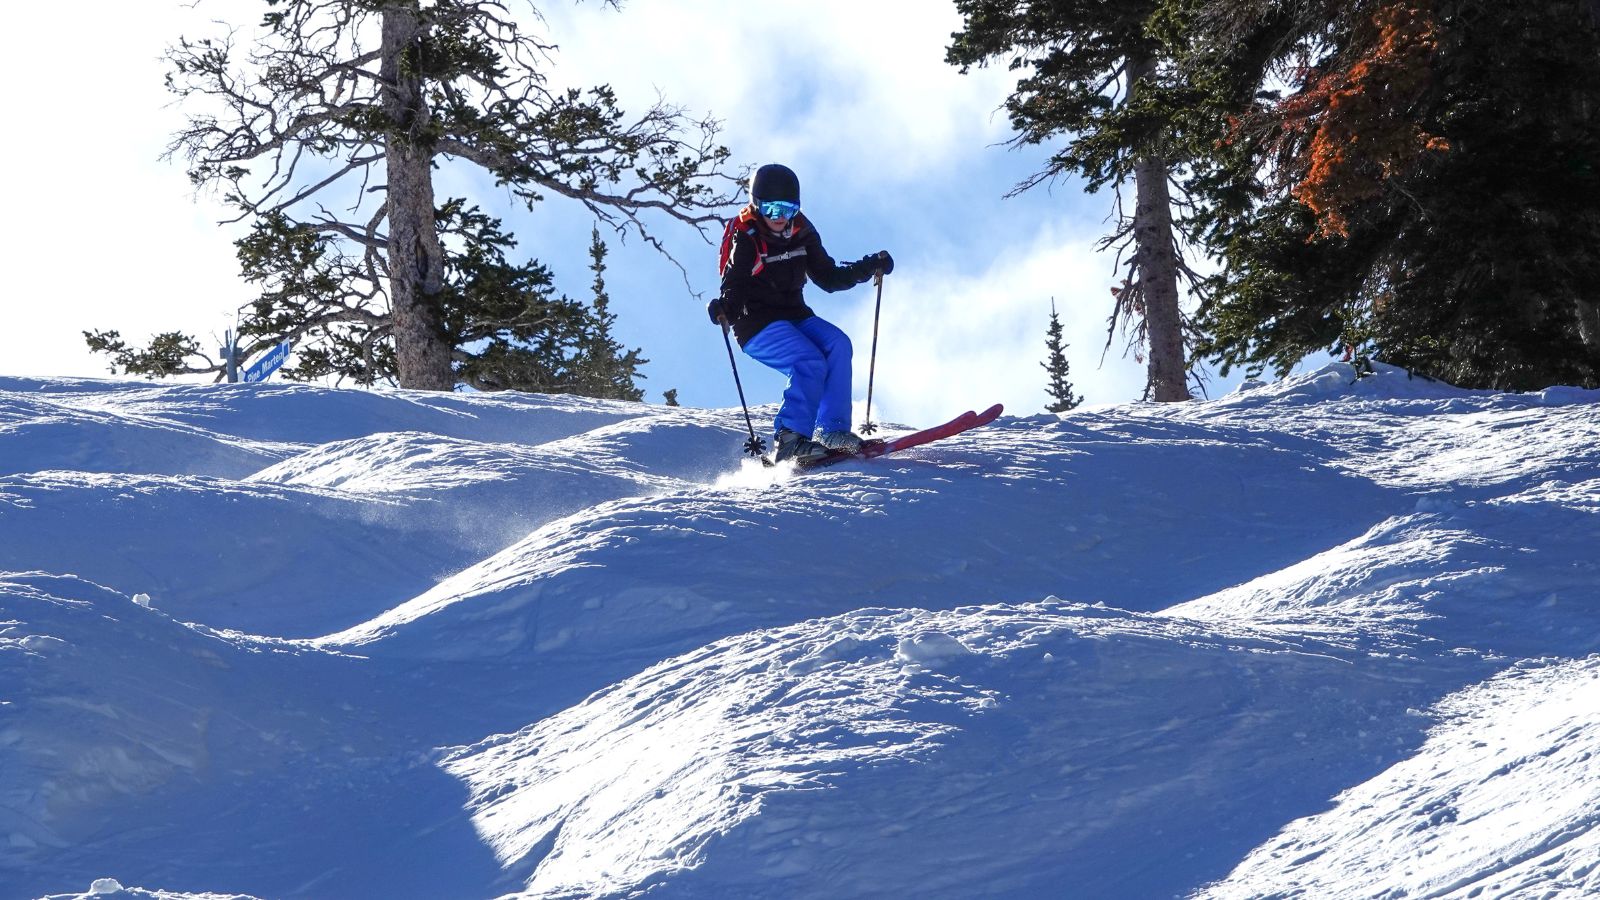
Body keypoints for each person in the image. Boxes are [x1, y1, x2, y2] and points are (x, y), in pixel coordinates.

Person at [710, 163, 894, 463]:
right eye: (771, 210)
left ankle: (832, 431)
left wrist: (867, 267)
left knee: (838, 344)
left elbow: (829, 277)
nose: (780, 218)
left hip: (794, 314)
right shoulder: (746, 237)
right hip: (755, 323)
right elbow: (735, 282)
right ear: (756, 206)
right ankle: (790, 439)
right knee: (808, 360)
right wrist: (724, 309)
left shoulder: (801, 231)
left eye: (787, 209)